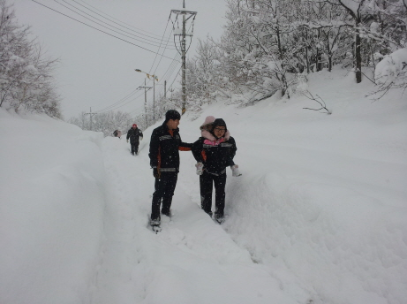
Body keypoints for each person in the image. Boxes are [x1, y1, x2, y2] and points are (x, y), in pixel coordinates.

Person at [192, 117, 241, 223]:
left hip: (221, 172)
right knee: (206, 194)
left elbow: (232, 152)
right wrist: (200, 161)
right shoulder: (205, 140)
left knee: (220, 194)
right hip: (206, 172)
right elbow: (195, 149)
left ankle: (219, 214)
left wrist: (227, 162)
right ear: (213, 129)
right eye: (218, 129)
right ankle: (206, 214)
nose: (220, 132)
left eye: (222, 129)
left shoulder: (229, 140)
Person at [148, 110, 192, 228]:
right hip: (161, 170)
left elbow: (180, 145)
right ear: (170, 120)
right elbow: (153, 150)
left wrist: (193, 146)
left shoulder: (176, 133)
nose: (178, 123)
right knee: (159, 193)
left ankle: (166, 211)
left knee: (170, 192)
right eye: (176, 120)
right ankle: (155, 216)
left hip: (174, 169)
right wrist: (154, 166)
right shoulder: (158, 132)